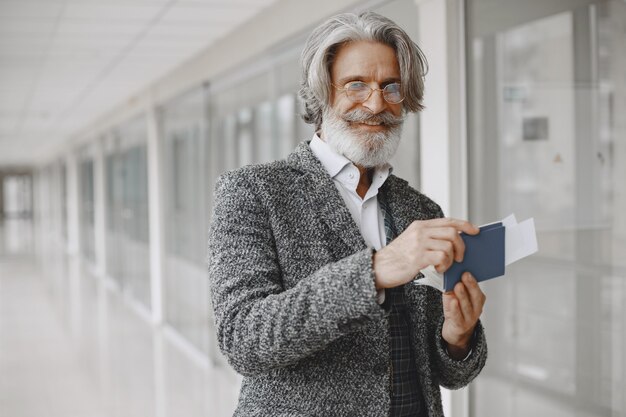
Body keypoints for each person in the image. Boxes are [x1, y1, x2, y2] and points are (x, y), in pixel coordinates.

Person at [208, 11, 487, 417]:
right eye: (356, 85)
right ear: (322, 94)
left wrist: (457, 337)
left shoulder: (420, 210)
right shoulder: (254, 192)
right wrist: (375, 270)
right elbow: (244, 339)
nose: (376, 104)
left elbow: (444, 373)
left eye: (390, 87)